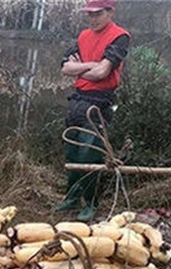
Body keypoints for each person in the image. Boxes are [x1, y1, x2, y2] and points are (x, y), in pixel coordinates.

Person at [53, 0, 130, 222]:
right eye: (89, 14)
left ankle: (91, 202)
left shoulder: (119, 36)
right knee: (72, 151)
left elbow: (103, 72)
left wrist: (80, 69)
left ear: (110, 12)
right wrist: (89, 66)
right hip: (77, 101)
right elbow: (65, 67)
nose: (92, 19)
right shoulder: (83, 36)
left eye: (97, 14)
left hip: (100, 103)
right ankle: (72, 197)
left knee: (90, 153)